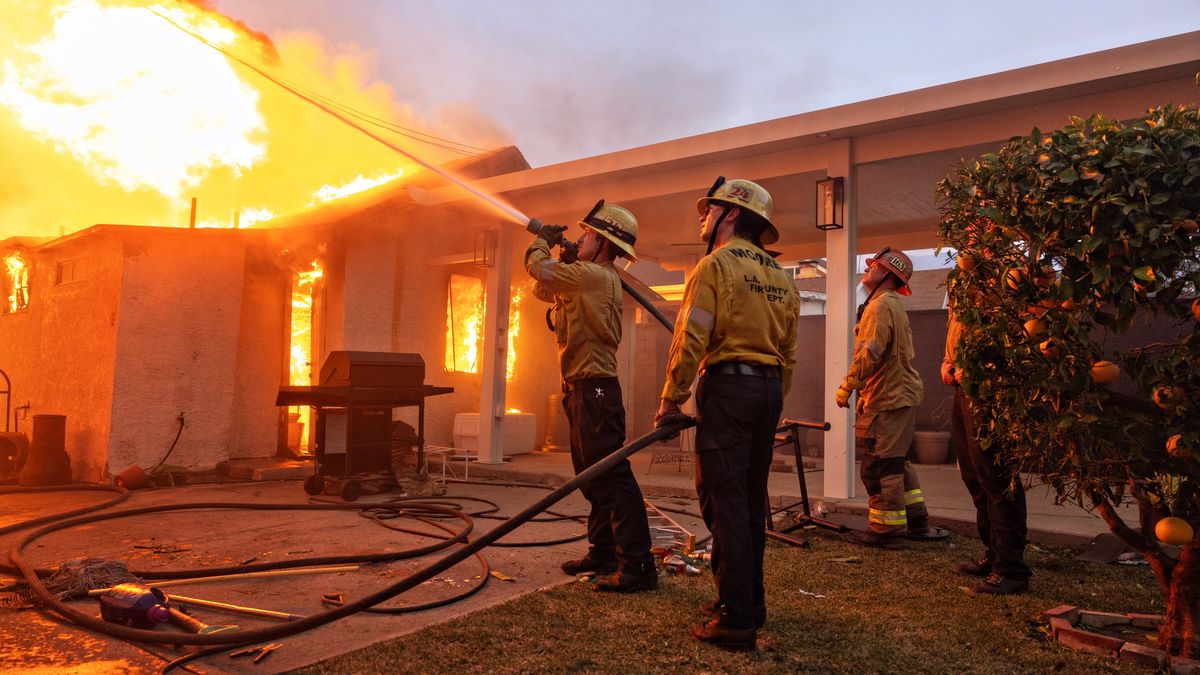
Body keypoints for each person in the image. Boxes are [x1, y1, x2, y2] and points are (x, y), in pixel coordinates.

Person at [654, 178, 799, 652]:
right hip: (768, 392)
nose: (703, 218)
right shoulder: (782, 277)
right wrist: (774, 403)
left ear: (731, 214)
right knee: (750, 500)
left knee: (724, 503)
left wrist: (670, 399)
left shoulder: (715, 265)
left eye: (708, 210)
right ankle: (748, 602)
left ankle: (736, 621)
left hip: (728, 390)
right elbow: (789, 354)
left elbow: (691, 336)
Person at [524, 201, 658, 593]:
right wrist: (562, 254)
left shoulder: (594, 277)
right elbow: (541, 289)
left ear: (599, 240)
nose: (579, 239)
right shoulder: (586, 276)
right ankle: (603, 552)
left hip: (595, 389)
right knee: (593, 477)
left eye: (584, 235)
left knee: (611, 477)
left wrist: (541, 242)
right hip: (583, 387)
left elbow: (536, 267)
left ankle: (637, 566)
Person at [835, 247, 948, 548]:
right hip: (899, 394)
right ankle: (916, 521)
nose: (868, 268)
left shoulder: (879, 307)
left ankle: (886, 529)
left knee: (880, 464)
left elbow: (869, 352)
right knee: (898, 461)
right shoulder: (890, 303)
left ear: (888, 275)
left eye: (875, 265)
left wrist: (847, 386)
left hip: (887, 397)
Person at [943, 283, 1031, 594]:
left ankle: (1012, 569)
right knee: (974, 475)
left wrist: (987, 368)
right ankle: (994, 556)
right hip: (964, 386)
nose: (967, 233)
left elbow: (1018, 330)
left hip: (991, 388)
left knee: (996, 475)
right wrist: (947, 359)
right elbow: (956, 323)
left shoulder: (1004, 276)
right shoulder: (963, 278)